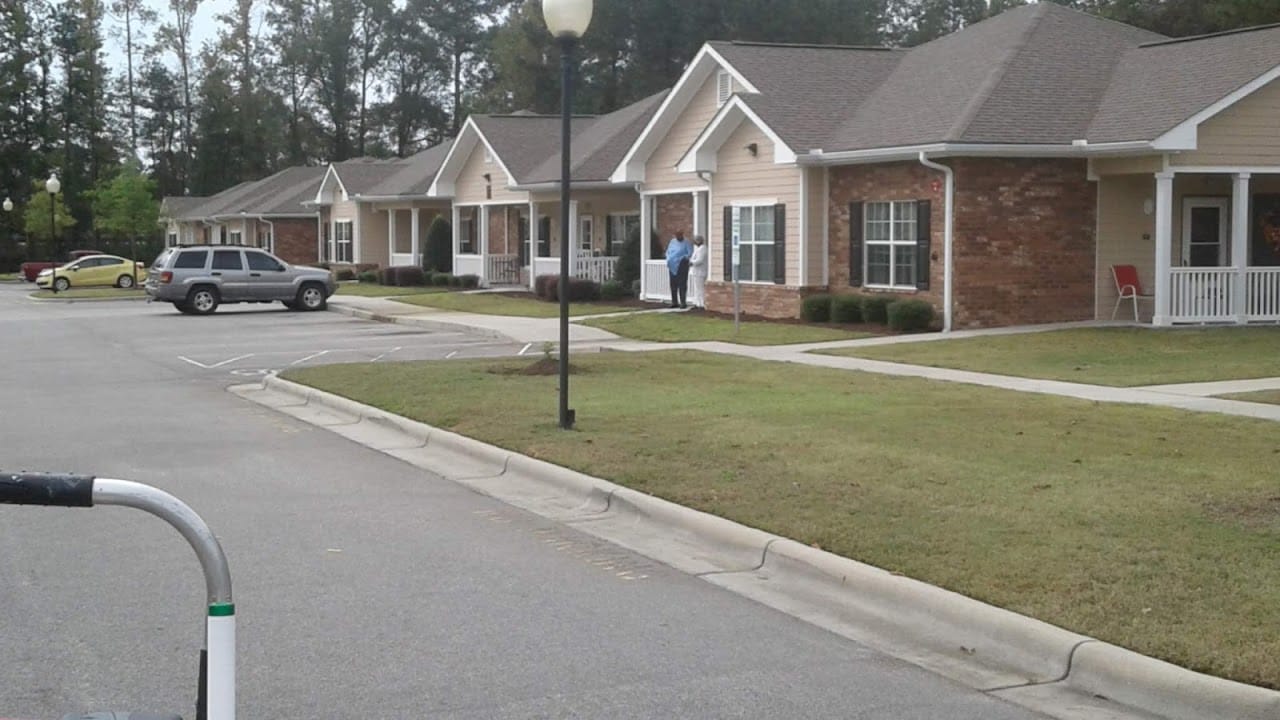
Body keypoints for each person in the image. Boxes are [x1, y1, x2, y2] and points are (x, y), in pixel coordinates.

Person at [665, 230, 692, 308]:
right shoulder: (672, 242)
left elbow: (689, 253)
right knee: (673, 284)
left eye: (679, 235)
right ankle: (674, 302)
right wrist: (668, 258)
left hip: (682, 265)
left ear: (682, 235)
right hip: (672, 265)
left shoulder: (686, 242)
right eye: (676, 235)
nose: (678, 237)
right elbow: (668, 251)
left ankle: (683, 302)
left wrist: (683, 258)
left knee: (682, 284)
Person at [688, 234, 708, 308]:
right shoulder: (699, 249)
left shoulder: (703, 249)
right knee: (697, 289)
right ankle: (697, 303)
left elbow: (700, 260)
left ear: (699, 241)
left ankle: (702, 304)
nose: (694, 242)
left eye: (695, 240)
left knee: (700, 289)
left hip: (700, 272)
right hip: (696, 272)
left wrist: (691, 262)